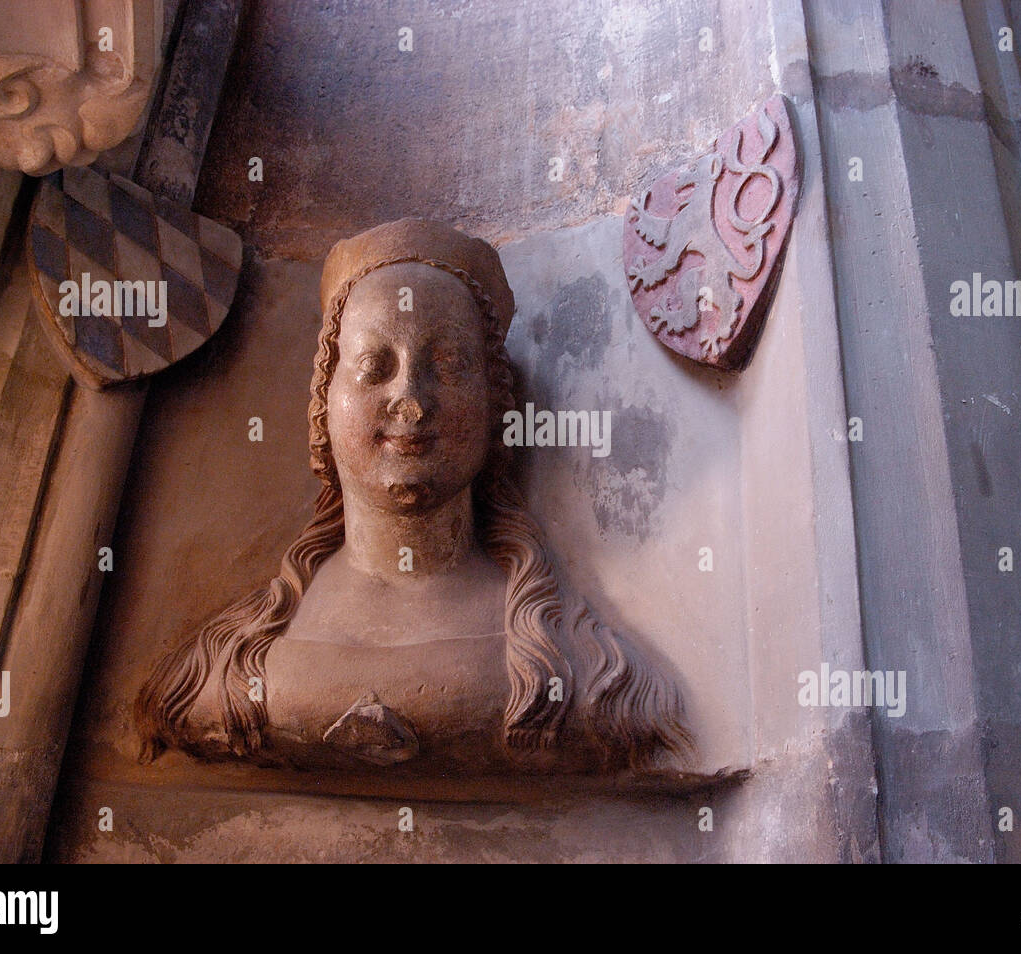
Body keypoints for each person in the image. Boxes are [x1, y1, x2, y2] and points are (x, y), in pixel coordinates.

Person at [136, 218, 689, 774]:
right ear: (325, 404)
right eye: (375, 368)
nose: (410, 398)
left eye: (448, 366)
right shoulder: (221, 670)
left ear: (497, 404)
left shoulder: (591, 674)